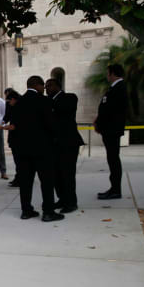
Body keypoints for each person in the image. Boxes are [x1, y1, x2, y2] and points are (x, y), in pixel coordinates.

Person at [11, 76, 64, 222]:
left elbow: (14, 126)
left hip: (22, 150)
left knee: (25, 182)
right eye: (43, 86)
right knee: (47, 180)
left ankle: (26, 210)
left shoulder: (18, 102)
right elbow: (51, 124)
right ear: (37, 85)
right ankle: (48, 211)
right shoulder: (44, 101)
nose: (44, 89)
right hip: (42, 149)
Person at [46, 79, 84, 213]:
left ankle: (71, 202)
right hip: (54, 144)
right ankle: (62, 198)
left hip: (68, 143)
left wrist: (48, 103)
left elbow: (63, 110)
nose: (46, 89)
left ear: (57, 86)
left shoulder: (69, 97)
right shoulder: (48, 101)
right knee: (56, 174)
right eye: (45, 87)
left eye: (49, 86)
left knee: (67, 173)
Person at [94, 64, 127, 200]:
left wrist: (100, 124)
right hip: (109, 130)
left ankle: (115, 190)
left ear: (113, 74)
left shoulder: (119, 88)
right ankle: (114, 188)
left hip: (111, 130)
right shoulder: (115, 88)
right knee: (112, 159)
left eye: (108, 73)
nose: (107, 76)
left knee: (113, 160)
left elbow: (111, 111)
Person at [2, 88, 21, 187]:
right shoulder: (11, 105)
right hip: (14, 138)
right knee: (17, 160)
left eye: (9, 100)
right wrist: (3, 122)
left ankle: (20, 179)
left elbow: (15, 125)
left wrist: (6, 127)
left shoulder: (22, 108)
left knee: (20, 161)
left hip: (20, 138)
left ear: (14, 98)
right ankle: (19, 177)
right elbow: (7, 116)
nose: (8, 103)